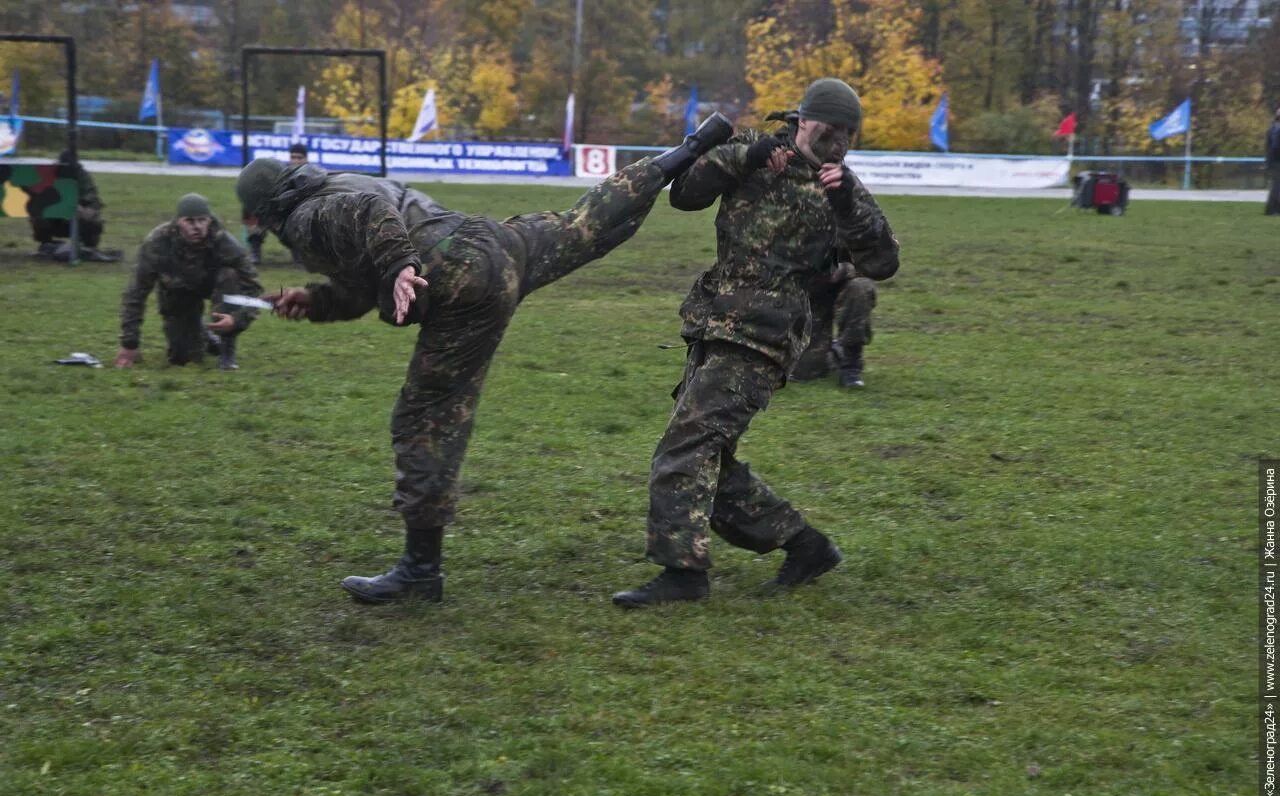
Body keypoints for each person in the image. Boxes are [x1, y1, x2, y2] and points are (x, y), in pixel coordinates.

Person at [235, 113, 734, 604]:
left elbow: (369, 215)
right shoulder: (334, 183)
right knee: (586, 219)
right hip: (493, 243)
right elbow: (363, 279)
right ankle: (688, 149)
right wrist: (316, 300)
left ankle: (420, 570)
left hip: (459, 285)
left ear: (259, 213)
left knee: (424, 420)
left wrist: (401, 265)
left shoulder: (305, 218)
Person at [613, 78, 900, 608]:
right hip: (715, 319)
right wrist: (743, 157)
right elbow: (684, 196)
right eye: (828, 132)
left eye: (848, 137)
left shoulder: (842, 187)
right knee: (707, 456)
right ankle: (804, 544)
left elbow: (882, 262)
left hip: (767, 334)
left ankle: (683, 573)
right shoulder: (754, 151)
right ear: (801, 120)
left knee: (687, 447)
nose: (837, 144)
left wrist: (845, 207)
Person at [115, 193, 263, 370]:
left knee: (229, 275)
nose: (197, 227)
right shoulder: (157, 243)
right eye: (189, 221)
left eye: (202, 220)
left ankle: (227, 350)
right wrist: (129, 344)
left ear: (209, 220)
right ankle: (204, 336)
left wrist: (237, 320)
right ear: (178, 222)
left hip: (214, 286)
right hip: (178, 294)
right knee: (182, 358)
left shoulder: (224, 242)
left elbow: (254, 288)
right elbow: (136, 292)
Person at [790, 254, 879, 388]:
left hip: (845, 283)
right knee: (806, 370)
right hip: (809, 294)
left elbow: (883, 261)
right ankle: (835, 351)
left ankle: (851, 364)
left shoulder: (853, 232)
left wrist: (845, 268)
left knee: (861, 287)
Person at [30, 150, 109, 259]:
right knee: (39, 215)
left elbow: (92, 197)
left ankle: (88, 246)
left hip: (78, 214)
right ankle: (46, 244)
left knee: (94, 220)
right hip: (54, 216)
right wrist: (62, 207)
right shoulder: (50, 174)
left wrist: (85, 208)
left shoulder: (81, 175)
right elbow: (39, 197)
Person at [245, 142, 309, 263]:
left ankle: (299, 252)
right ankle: (255, 252)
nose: (295, 160)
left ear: (306, 159)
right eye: (293, 157)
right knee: (254, 211)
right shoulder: (281, 174)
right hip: (278, 214)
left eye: (299, 158)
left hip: (298, 217)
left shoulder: (313, 175)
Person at [1267, 108, 1280, 216]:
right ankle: (1273, 210)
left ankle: (1272, 209)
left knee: (1276, 185)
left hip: (1273, 160)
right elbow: (1276, 146)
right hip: (1277, 160)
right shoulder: (1277, 129)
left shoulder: (1273, 128)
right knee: (1277, 186)